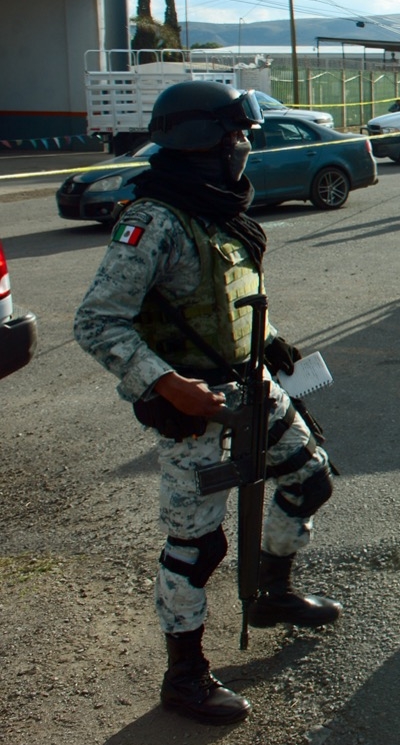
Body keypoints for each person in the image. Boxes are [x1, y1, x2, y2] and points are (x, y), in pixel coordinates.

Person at [73, 80, 341, 725]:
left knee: (310, 479)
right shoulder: (153, 219)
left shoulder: (216, 208)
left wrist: (270, 339)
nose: (244, 146)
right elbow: (98, 322)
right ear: (201, 142)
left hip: (250, 385)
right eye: (234, 135)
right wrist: (166, 386)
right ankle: (185, 675)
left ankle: (273, 591)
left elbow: (227, 293)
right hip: (196, 407)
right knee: (197, 546)